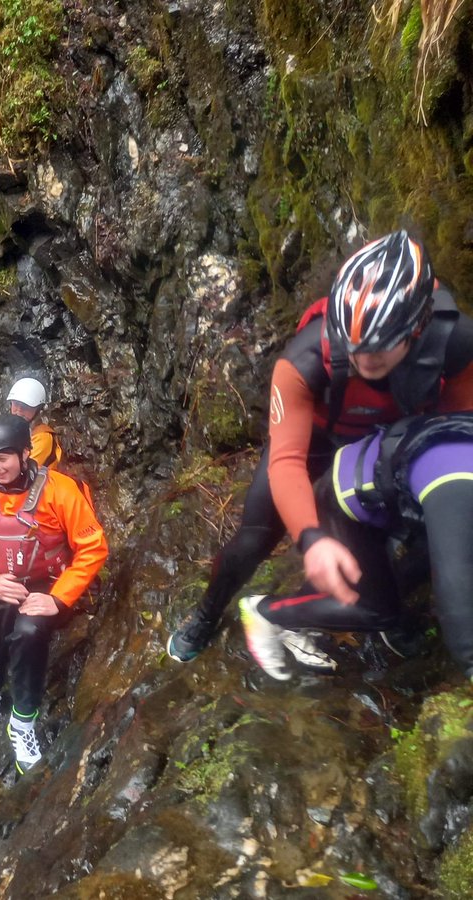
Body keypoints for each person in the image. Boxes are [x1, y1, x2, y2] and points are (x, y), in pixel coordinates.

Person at [168, 231, 473, 664]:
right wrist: (311, 539)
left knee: (435, 530)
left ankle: (389, 607)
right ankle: (205, 613)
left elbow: (459, 436)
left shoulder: (455, 343)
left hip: (395, 442)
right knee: (254, 539)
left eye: (380, 349)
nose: (364, 358)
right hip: (314, 442)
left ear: (417, 327)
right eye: (354, 345)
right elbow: (286, 461)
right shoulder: (306, 358)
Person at [239, 412, 473, 681]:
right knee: (377, 612)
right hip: (347, 498)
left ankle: (386, 594)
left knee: (434, 552)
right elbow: (456, 583)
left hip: (389, 484)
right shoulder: (459, 481)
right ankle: (267, 613)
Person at [0, 415, 108, 773]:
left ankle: (22, 721)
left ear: (26, 453)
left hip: (50, 586)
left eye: (3, 458)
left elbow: (92, 547)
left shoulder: (61, 490)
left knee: (28, 633)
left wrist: (58, 597)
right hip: (1, 582)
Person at [0, 377, 64, 471]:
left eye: (26, 406)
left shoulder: (43, 437)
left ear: (38, 409)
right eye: (16, 404)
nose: (19, 410)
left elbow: (21, 470)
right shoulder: (6, 427)